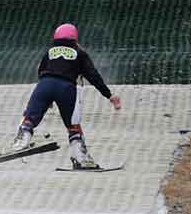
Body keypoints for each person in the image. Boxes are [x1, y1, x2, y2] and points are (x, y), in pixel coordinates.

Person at [9, 23, 122, 170]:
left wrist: (46, 99)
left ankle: (22, 139)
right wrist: (109, 95)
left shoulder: (50, 51)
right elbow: (93, 76)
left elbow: (40, 69)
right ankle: (81, 159)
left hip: (44, 85)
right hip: (66, 88)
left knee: (30, 117)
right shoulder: (80, 53)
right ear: (75, 39)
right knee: (73, 126)